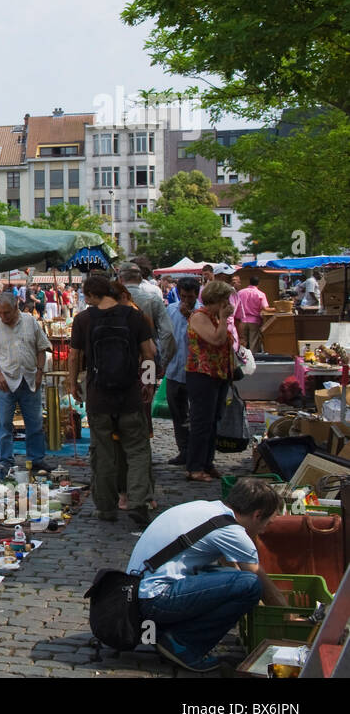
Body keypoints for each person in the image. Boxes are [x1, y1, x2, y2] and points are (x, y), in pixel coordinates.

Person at [130, 478, 287, 672]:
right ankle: (184, 644)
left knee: (237, 581)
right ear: (257, 515)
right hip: (155, 599)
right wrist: (290, 615)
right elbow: (258, 580)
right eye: (267, 523)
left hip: (138, 591)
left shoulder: (208, 510)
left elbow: (230, 568)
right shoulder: (232, 531)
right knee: (251, 585)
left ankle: (171, 632)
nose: (264, 530)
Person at [68, 273, 156, 526]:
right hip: (129, 395)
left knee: (102, 453)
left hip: (98, 396)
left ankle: (106, 508)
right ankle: (139, 501)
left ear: (91, 295)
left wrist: (73, 384)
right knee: (138, 451)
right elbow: (148, 353)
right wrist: (148, 382)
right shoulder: (134, 316)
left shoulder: (83, 319)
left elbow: (74, 357)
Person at [0, 294, 52, 478]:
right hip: (6, 381)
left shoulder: (30, 321)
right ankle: (6, 459)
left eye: (7, 313)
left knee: (34, 422)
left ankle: (36, 458)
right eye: (0, 312)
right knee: (4, 423)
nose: (3, 317)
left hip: (29, 378)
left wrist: (39, 372)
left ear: (16, 308)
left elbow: (41, 347)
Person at [185, 280, 235, 482]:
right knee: (201, 422)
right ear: (217, 300)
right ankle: (194, 467)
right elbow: (216, 340)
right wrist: (224, 319)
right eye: (225, 300)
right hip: (202, 375)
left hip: (218, 374)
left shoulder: (213, 317)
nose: (228, 304)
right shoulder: (200, 316)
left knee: (213, 421)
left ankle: (207, 462)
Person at [163, 277, 200, 468]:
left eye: (190, 297)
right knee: (178, 413)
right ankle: (183, 450)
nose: (186, 300)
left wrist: (190, 316)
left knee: (196, 415)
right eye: (183, 296)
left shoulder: (202, 312)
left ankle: (196, 453)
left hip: (196, 371)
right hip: (174, 369)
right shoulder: (171, 309)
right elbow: (166, 337)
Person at [119, 262, 173, 372]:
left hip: (117, 359)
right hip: (148, 360)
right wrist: (163, 361)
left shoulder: (111, 299)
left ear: (120, 279)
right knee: (147, 387)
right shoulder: (153, 299)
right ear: (140, 279)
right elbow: (168, 332)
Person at [235, 274, 269, 352]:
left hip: (242, 321)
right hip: (255, 321)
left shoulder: (240, 292)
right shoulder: (260, 294)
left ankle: (242, 357)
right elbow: (265, 308)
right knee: (253, 341)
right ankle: (253, 359)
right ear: (258, 283)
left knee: (243, 341)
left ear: (249, 282)